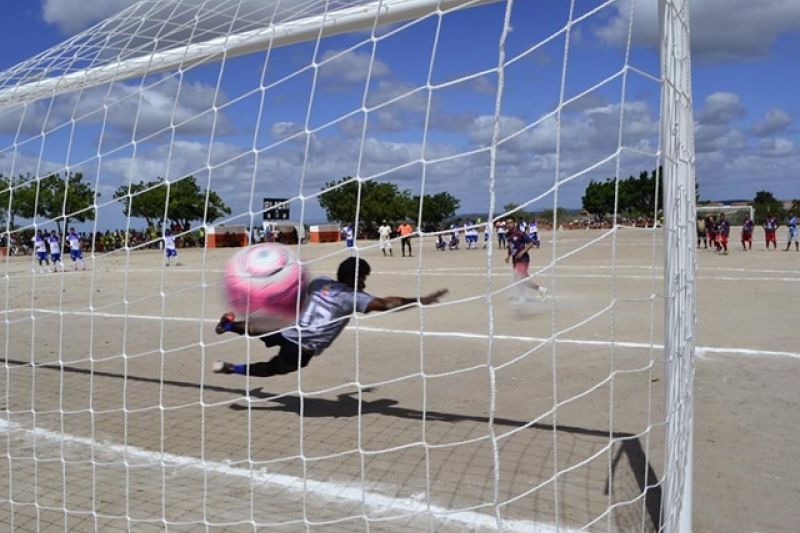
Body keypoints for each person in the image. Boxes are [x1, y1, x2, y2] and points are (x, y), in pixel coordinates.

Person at [212, 257, 448, 377]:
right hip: (302, 348)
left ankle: (228, 325)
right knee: (274, 368)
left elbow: (293, 290)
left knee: (257, 328)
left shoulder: (320, 282)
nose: (364, 282)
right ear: (354, 277)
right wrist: (420, 300)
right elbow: (386, 304)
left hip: (287, 328)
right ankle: (233, 368)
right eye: (363, 277)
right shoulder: (353, 297)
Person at [505, 217, 547, 301]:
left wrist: (522, 252)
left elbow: (531, 243)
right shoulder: (507, 235)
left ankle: (523, 296)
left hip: (523, 259)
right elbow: (510, 246)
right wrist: (508, 256)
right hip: (515, 260)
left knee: (518, 276)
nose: (509, 225)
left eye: (511, 223)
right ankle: (541, 289)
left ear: (514, 223)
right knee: (521, 280)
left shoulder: (520, 233)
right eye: (507, 223)